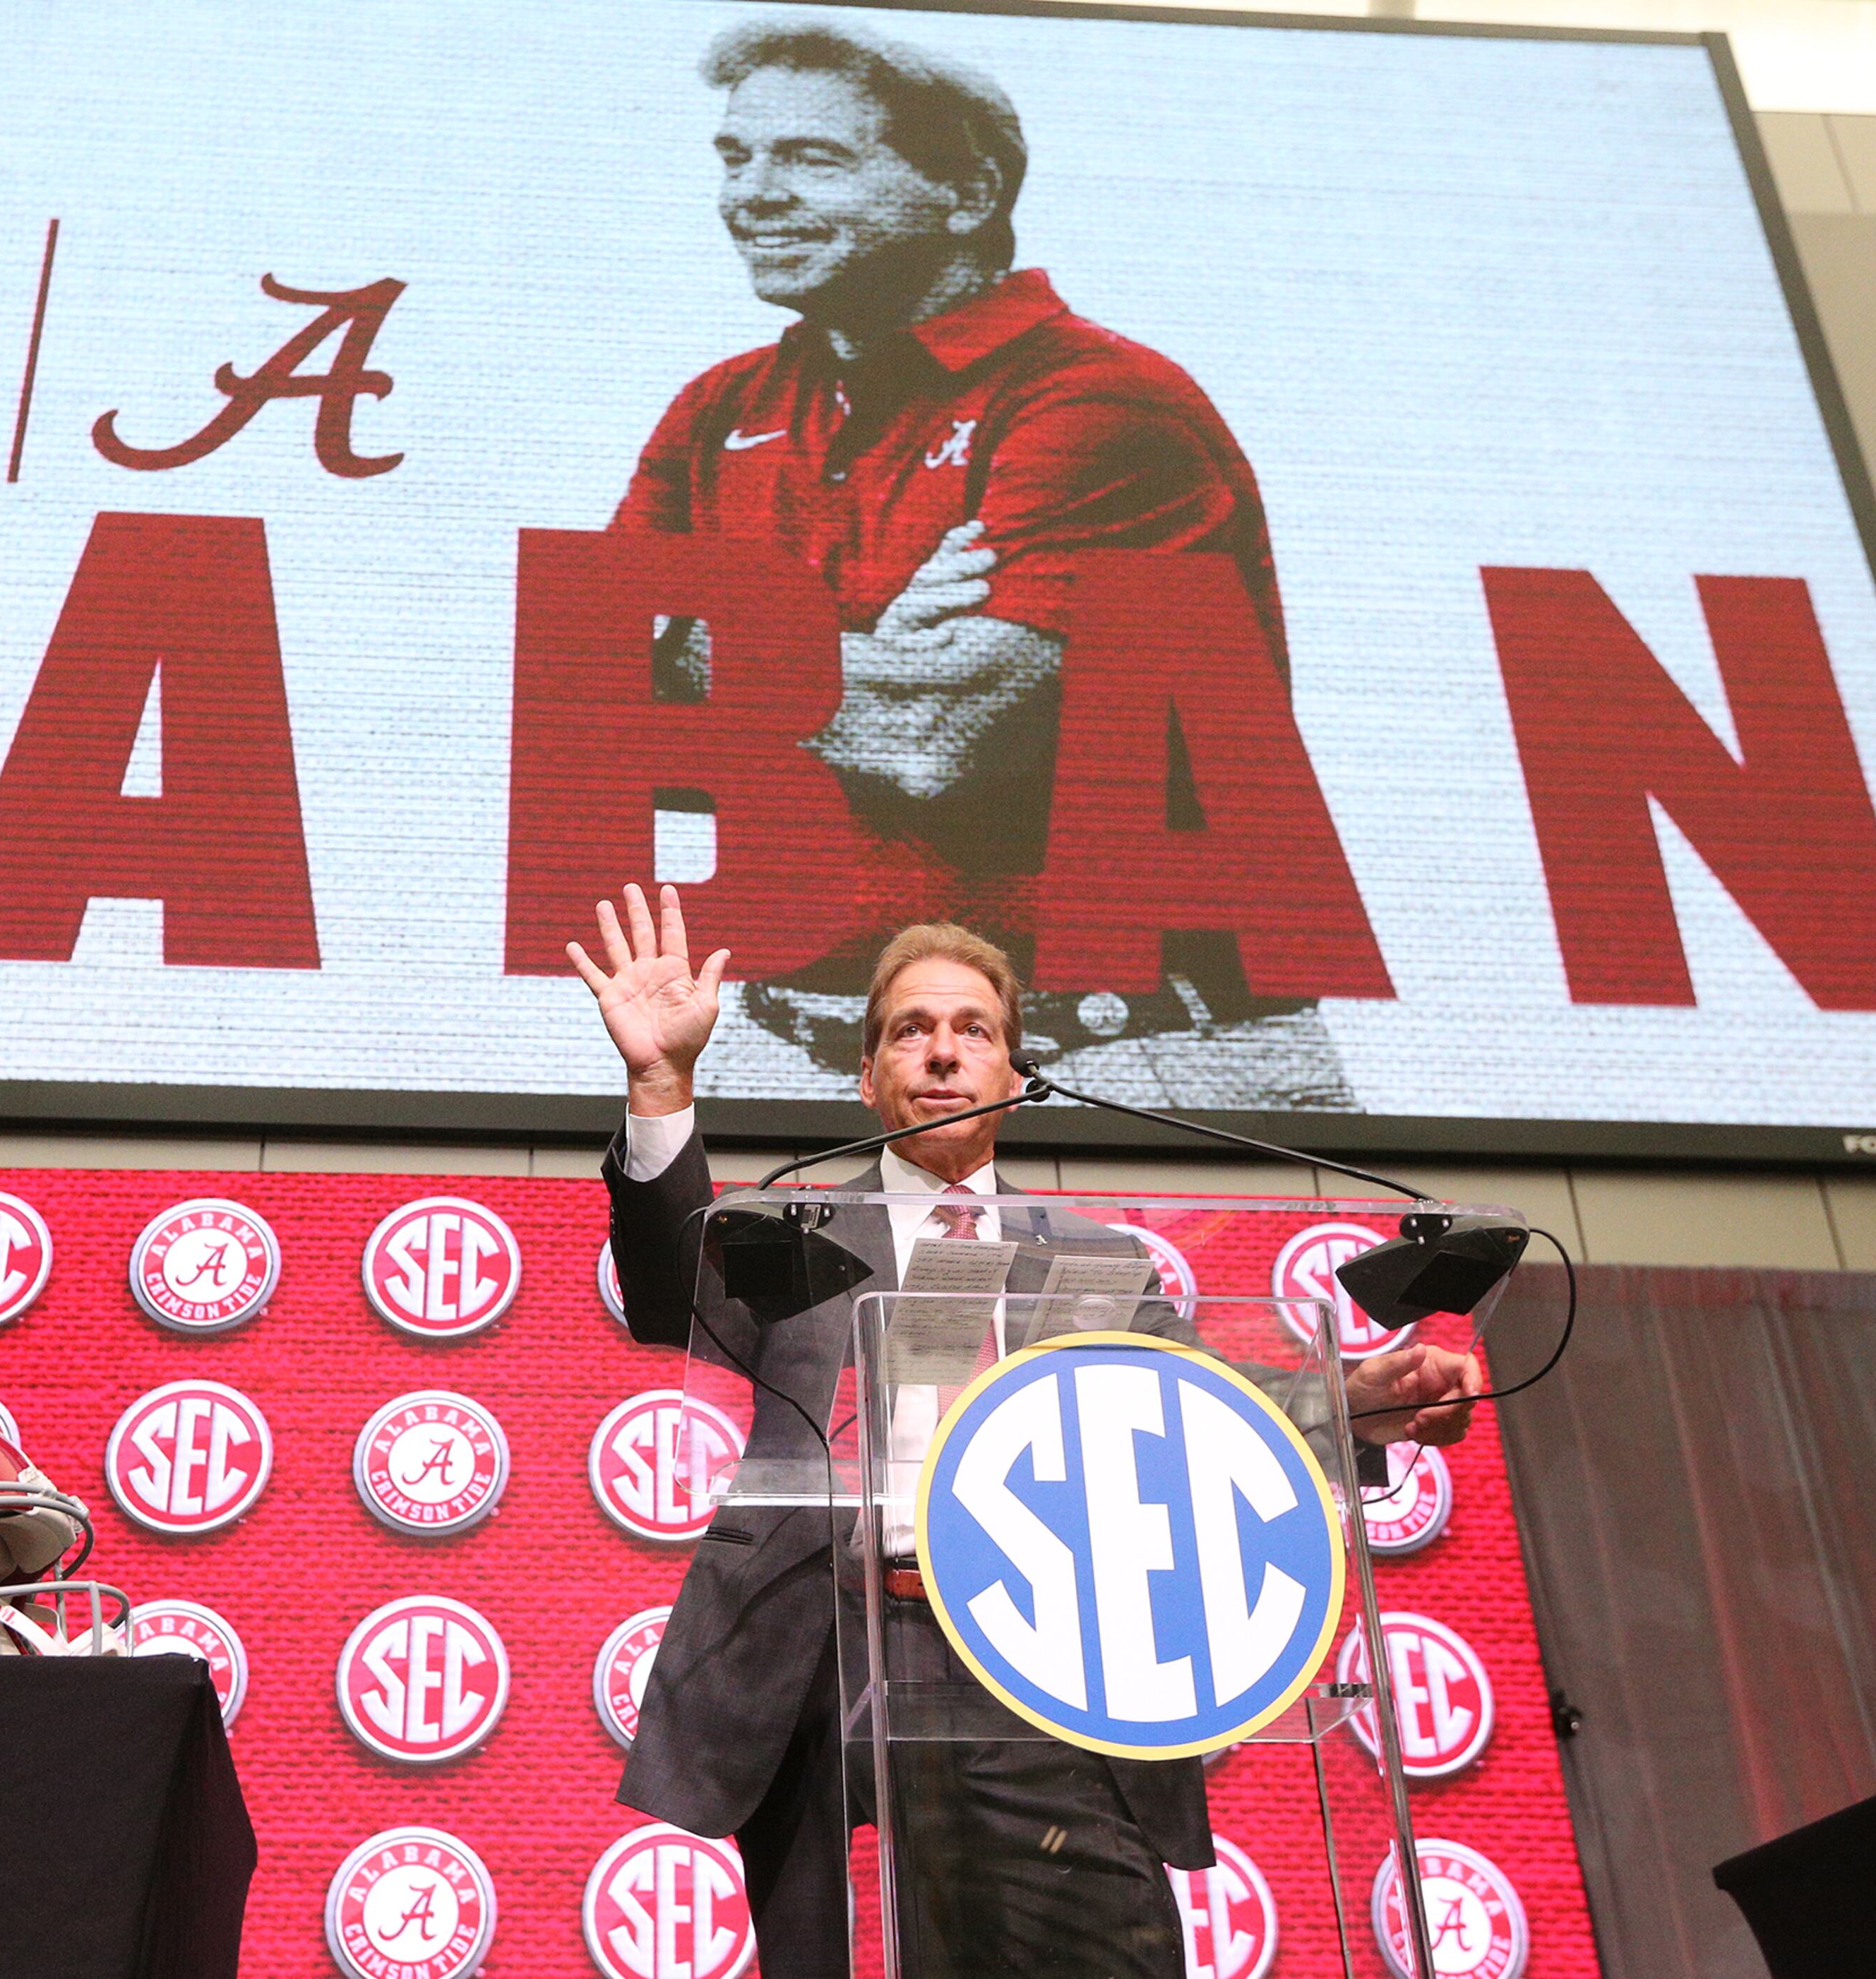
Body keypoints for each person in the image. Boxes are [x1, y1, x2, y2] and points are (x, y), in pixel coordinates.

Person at [572, 883, 1480, 1978]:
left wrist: (1351, 1401)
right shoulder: (789, 1228)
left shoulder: (1100, 1261)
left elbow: (1202, 1418)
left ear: (1016, 1077)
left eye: (974, 1032)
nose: (943, 1053)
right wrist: (661, 1080)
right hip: (837, 1660)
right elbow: (668, 1297)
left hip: (1057, 1667)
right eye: (912, 1031)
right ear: (869, 1078)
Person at [614, 18, 1350, 1109]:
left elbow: (937, 743)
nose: (752, 194)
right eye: (737, 157)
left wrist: (710, 648)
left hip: (1113, 1061)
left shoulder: (1100, 403)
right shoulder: (723, 406)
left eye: (813, 159)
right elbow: (597, 718)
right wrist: (858, 649)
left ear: (966, 194)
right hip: (801, 1055)